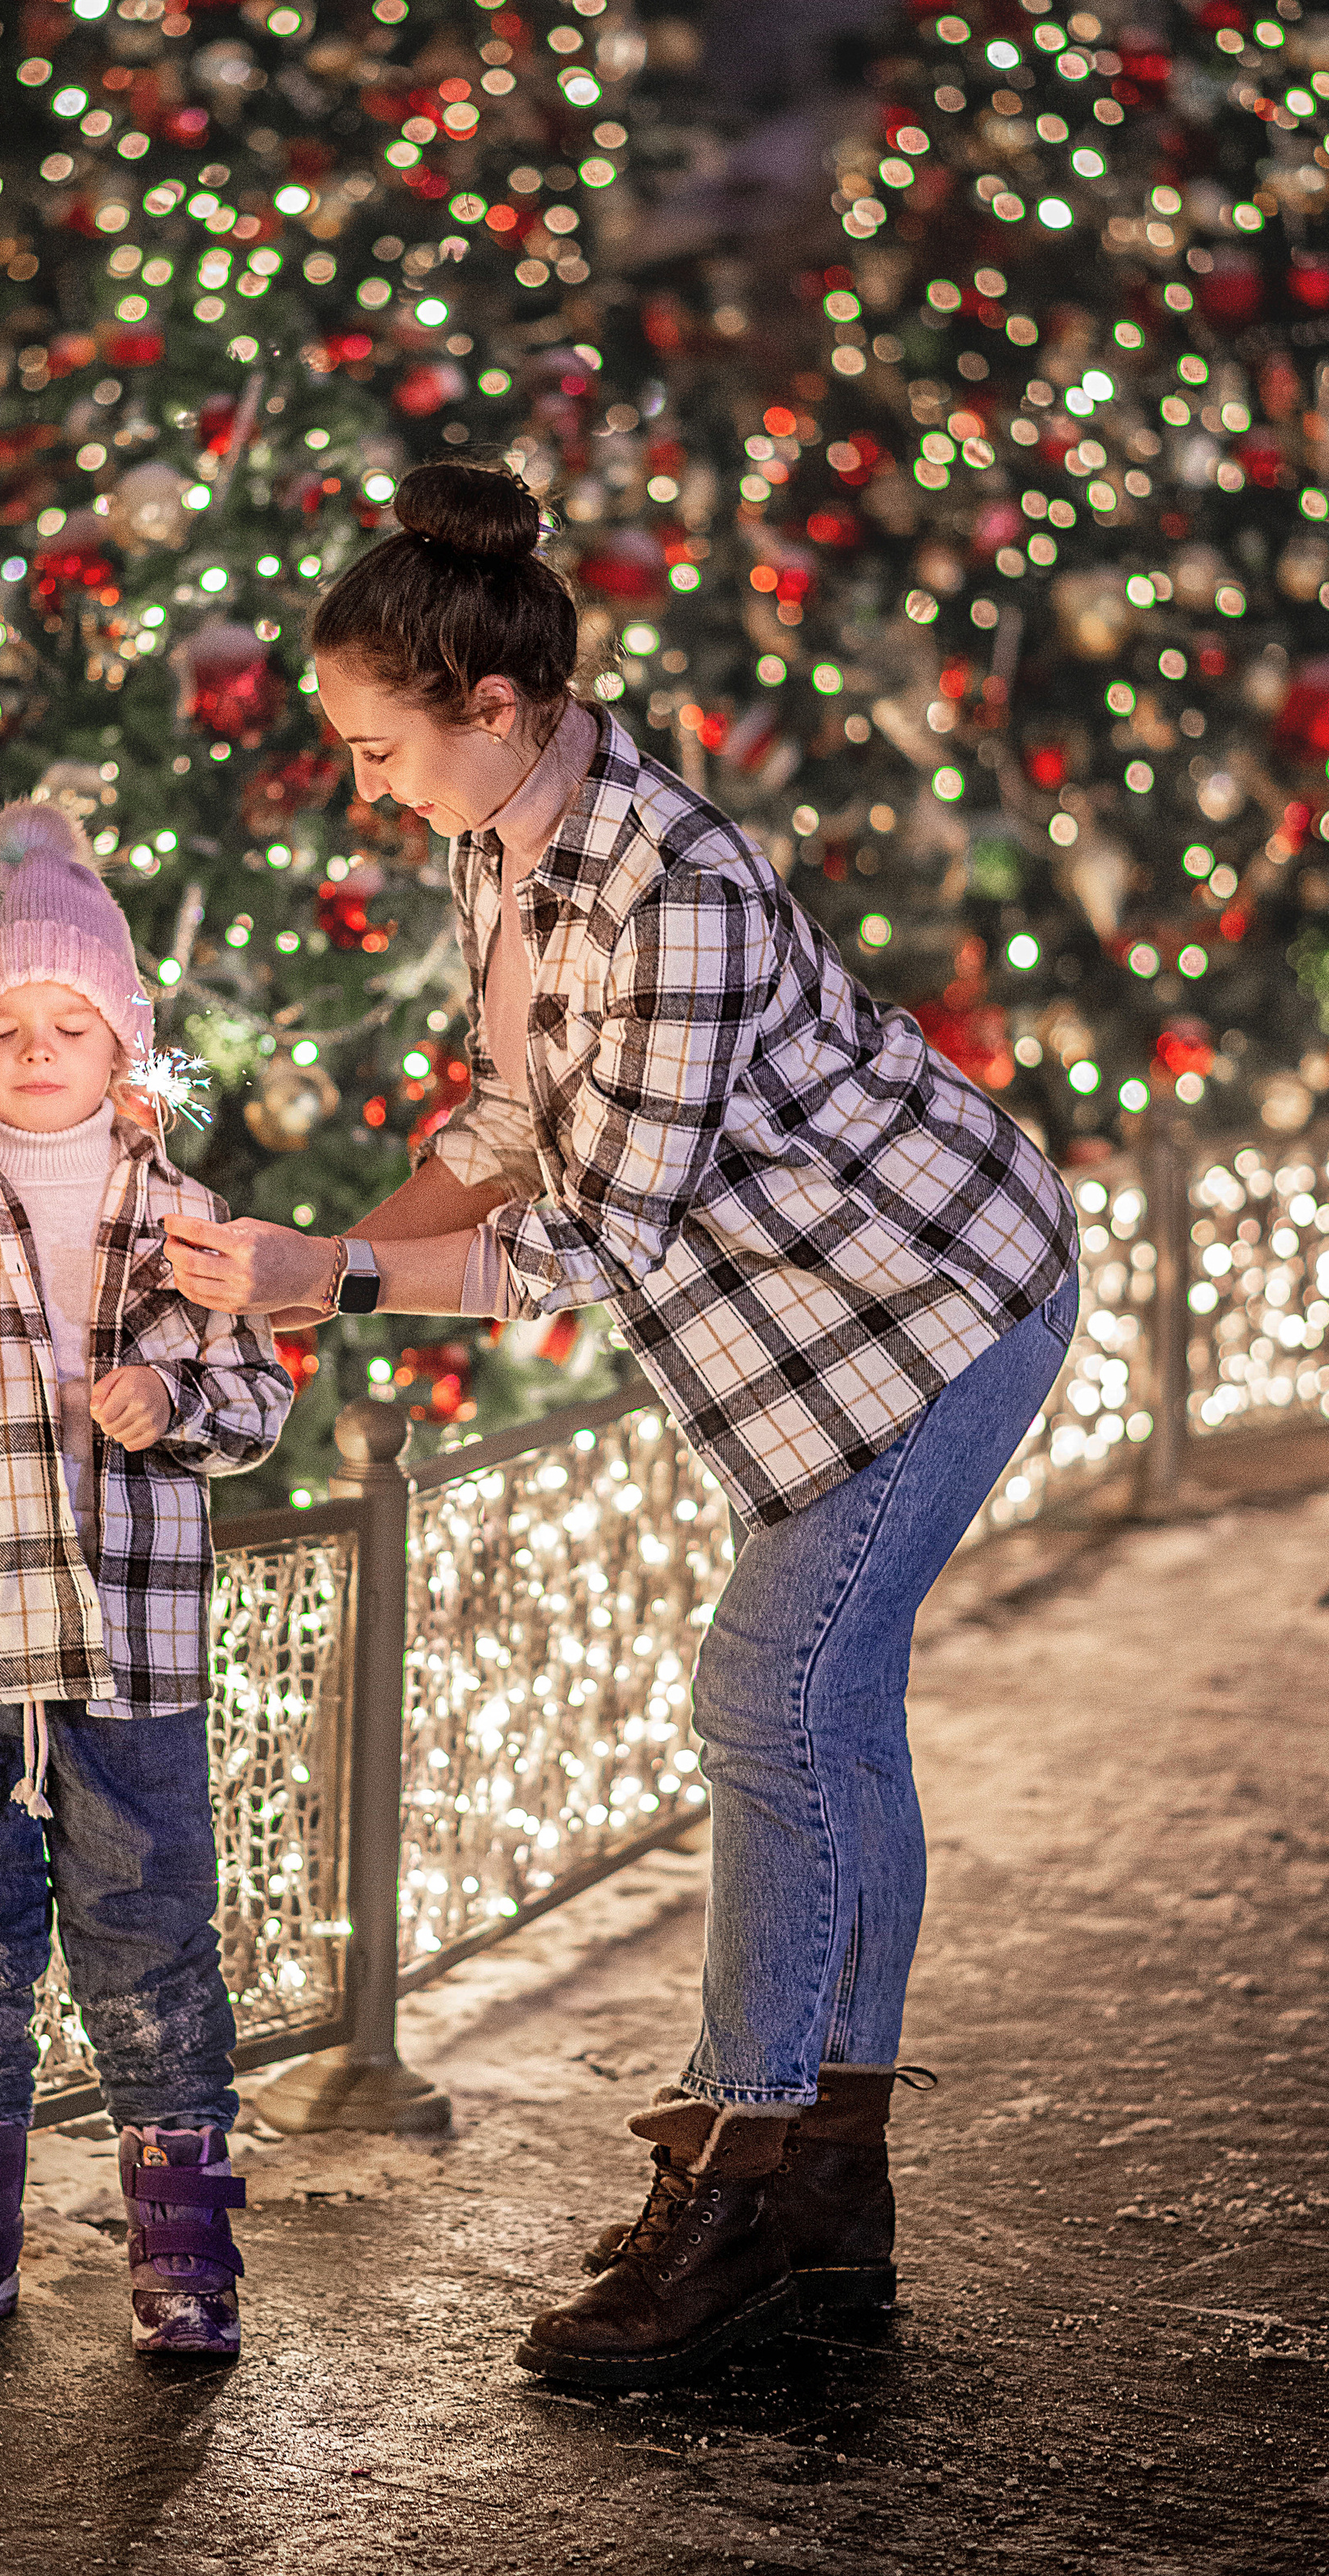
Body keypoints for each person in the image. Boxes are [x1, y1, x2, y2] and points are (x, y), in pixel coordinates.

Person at [162, 462, 1081, 2391]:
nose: (365, 784)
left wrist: (320, 1276)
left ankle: (737, 2172)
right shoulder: (503, 841)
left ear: (489, 711)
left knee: (765, 1697)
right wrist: (309, 1275)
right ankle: (833, 2190)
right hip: (820, 1331)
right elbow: (510, 1133)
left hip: (935, 1299)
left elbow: (589, 1236)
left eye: (376, 746)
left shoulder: (674, 882)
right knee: (828, 1715)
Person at [0, 802, 292, 2360]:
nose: (39, 1052)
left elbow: (257, 1404)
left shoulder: (183, 1214)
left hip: (130, 1647)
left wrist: (174, 1408)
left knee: (152, 1929)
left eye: (69, 1024)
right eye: (2, 1030)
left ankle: (186, 2250)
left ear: (123, 1044)